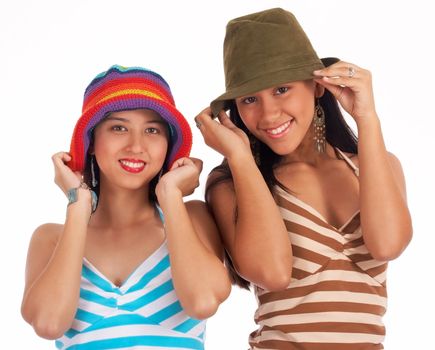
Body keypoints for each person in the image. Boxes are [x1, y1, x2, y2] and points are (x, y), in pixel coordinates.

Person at [194, 8, 412, 349]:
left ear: (317, 85)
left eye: (282, 89)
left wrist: (366, 117)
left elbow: (388, 244)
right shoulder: (233, 184)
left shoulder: (377, 166)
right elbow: (272, 273)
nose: (268, 114)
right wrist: (240, 157)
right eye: (250, 99)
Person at [21, 65, 231, 349]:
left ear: (168, 144)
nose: (136, 146)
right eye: (119, 128)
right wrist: (78, 203)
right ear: (91, 142)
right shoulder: (50, 238)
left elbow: (202, 301)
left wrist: (170, 195)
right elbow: (48, 323)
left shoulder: (191, 218)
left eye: (152, 130)